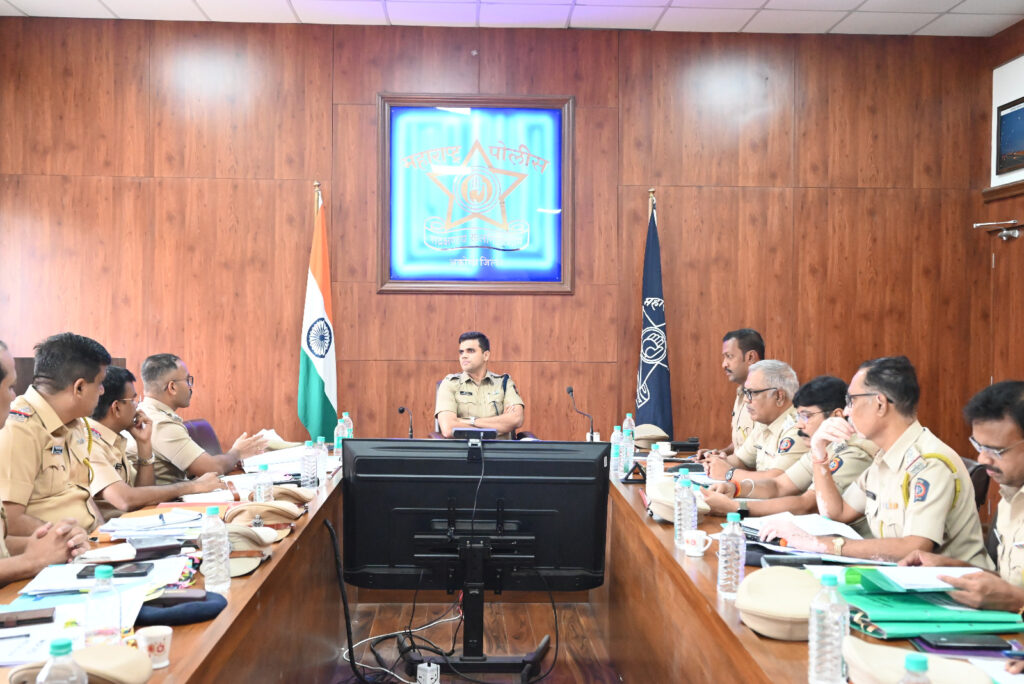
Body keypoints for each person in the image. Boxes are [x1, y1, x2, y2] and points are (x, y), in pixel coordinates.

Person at [762, 356, 990, 567]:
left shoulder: (929, 463)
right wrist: (819, 452)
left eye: (851, 401)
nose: (847, 412)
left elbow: (914, 548)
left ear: (880, 404)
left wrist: (818, 544)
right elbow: (837, 512)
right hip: (903, 581)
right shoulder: (885, 458)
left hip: (953, 590)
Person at [702, 376, 878, 517]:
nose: (799, 425)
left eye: (806, 416)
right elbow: (779, 485)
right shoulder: (824, 446)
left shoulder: (853, 453)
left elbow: (807, 504)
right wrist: (736, 488)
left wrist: (736, 508)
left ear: (837, 415)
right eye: (799, 416)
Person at [0, 333, 109, 534]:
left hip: (89, 542)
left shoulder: (75, 423)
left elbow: (82, 496)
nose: (102, 391)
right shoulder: (18, 429)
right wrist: (72, 539)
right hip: (59, 548)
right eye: (100, 383)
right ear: (79, 387)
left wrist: (103, 535)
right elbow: (10, 522)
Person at [0, 339, 90, 583]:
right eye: (10, 387)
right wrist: (32, 560)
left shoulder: (74, 426)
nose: (14, 397)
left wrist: (58, 545)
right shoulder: (18, 429)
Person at [89, 366, 222, 518]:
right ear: (117, 407)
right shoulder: (90, 443)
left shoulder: (114, 439)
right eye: (133, 400)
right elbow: (125, 500)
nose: (138, 407)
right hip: (112, 529)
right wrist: (193, 486)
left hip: (135, 521)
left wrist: (144, 444)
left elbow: (142, 496)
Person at [135, 354, 267, 485]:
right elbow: (212, 469)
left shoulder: (147, 411)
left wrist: (231, 460)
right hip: (170, 498)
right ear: (172, 387)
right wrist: (237, 452)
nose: (190, 386)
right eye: (187, 380)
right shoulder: (160, 423)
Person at [704, 360, 808, 482]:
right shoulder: (764, 422)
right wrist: (717, 462)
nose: (746, 400)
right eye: (746, 392)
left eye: (752, 393)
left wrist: (729, 473)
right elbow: (741, 460)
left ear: (779, 396)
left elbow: (777, 480)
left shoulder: (799, 428)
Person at [434, 332, 524, 440]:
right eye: (461, 352)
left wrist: (468, 421)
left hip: (500, 449)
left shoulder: (504, 383)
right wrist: (500, 425)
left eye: (470, 351)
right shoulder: (450, 384)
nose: (464, 356)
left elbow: (516, 419)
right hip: (463, 450)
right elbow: (448, 428)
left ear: (486, 355)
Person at [696, 329, 764, 461]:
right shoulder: (742, 393)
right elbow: (742, 444)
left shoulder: (767, 396)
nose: (724, 364)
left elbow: (760, 455)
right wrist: (721, 453)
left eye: (729, 356)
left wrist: (723, 463)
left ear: (750, 357)